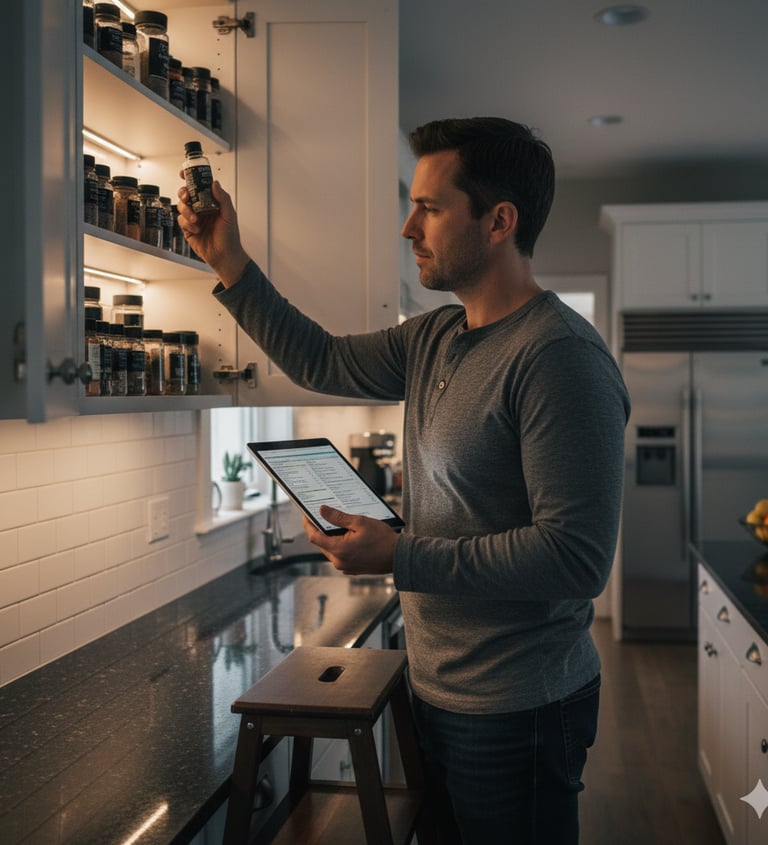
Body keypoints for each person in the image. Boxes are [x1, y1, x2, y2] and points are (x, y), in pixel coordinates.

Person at [177, 117, 630, 844]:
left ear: (499, 222)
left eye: (429, 207)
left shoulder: (559, 358)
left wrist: (400, 553)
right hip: (433, 688)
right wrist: (228, 261)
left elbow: (575, 559)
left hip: (520, 707)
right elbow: (319, 359)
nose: (406, 227)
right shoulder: (433, 337)